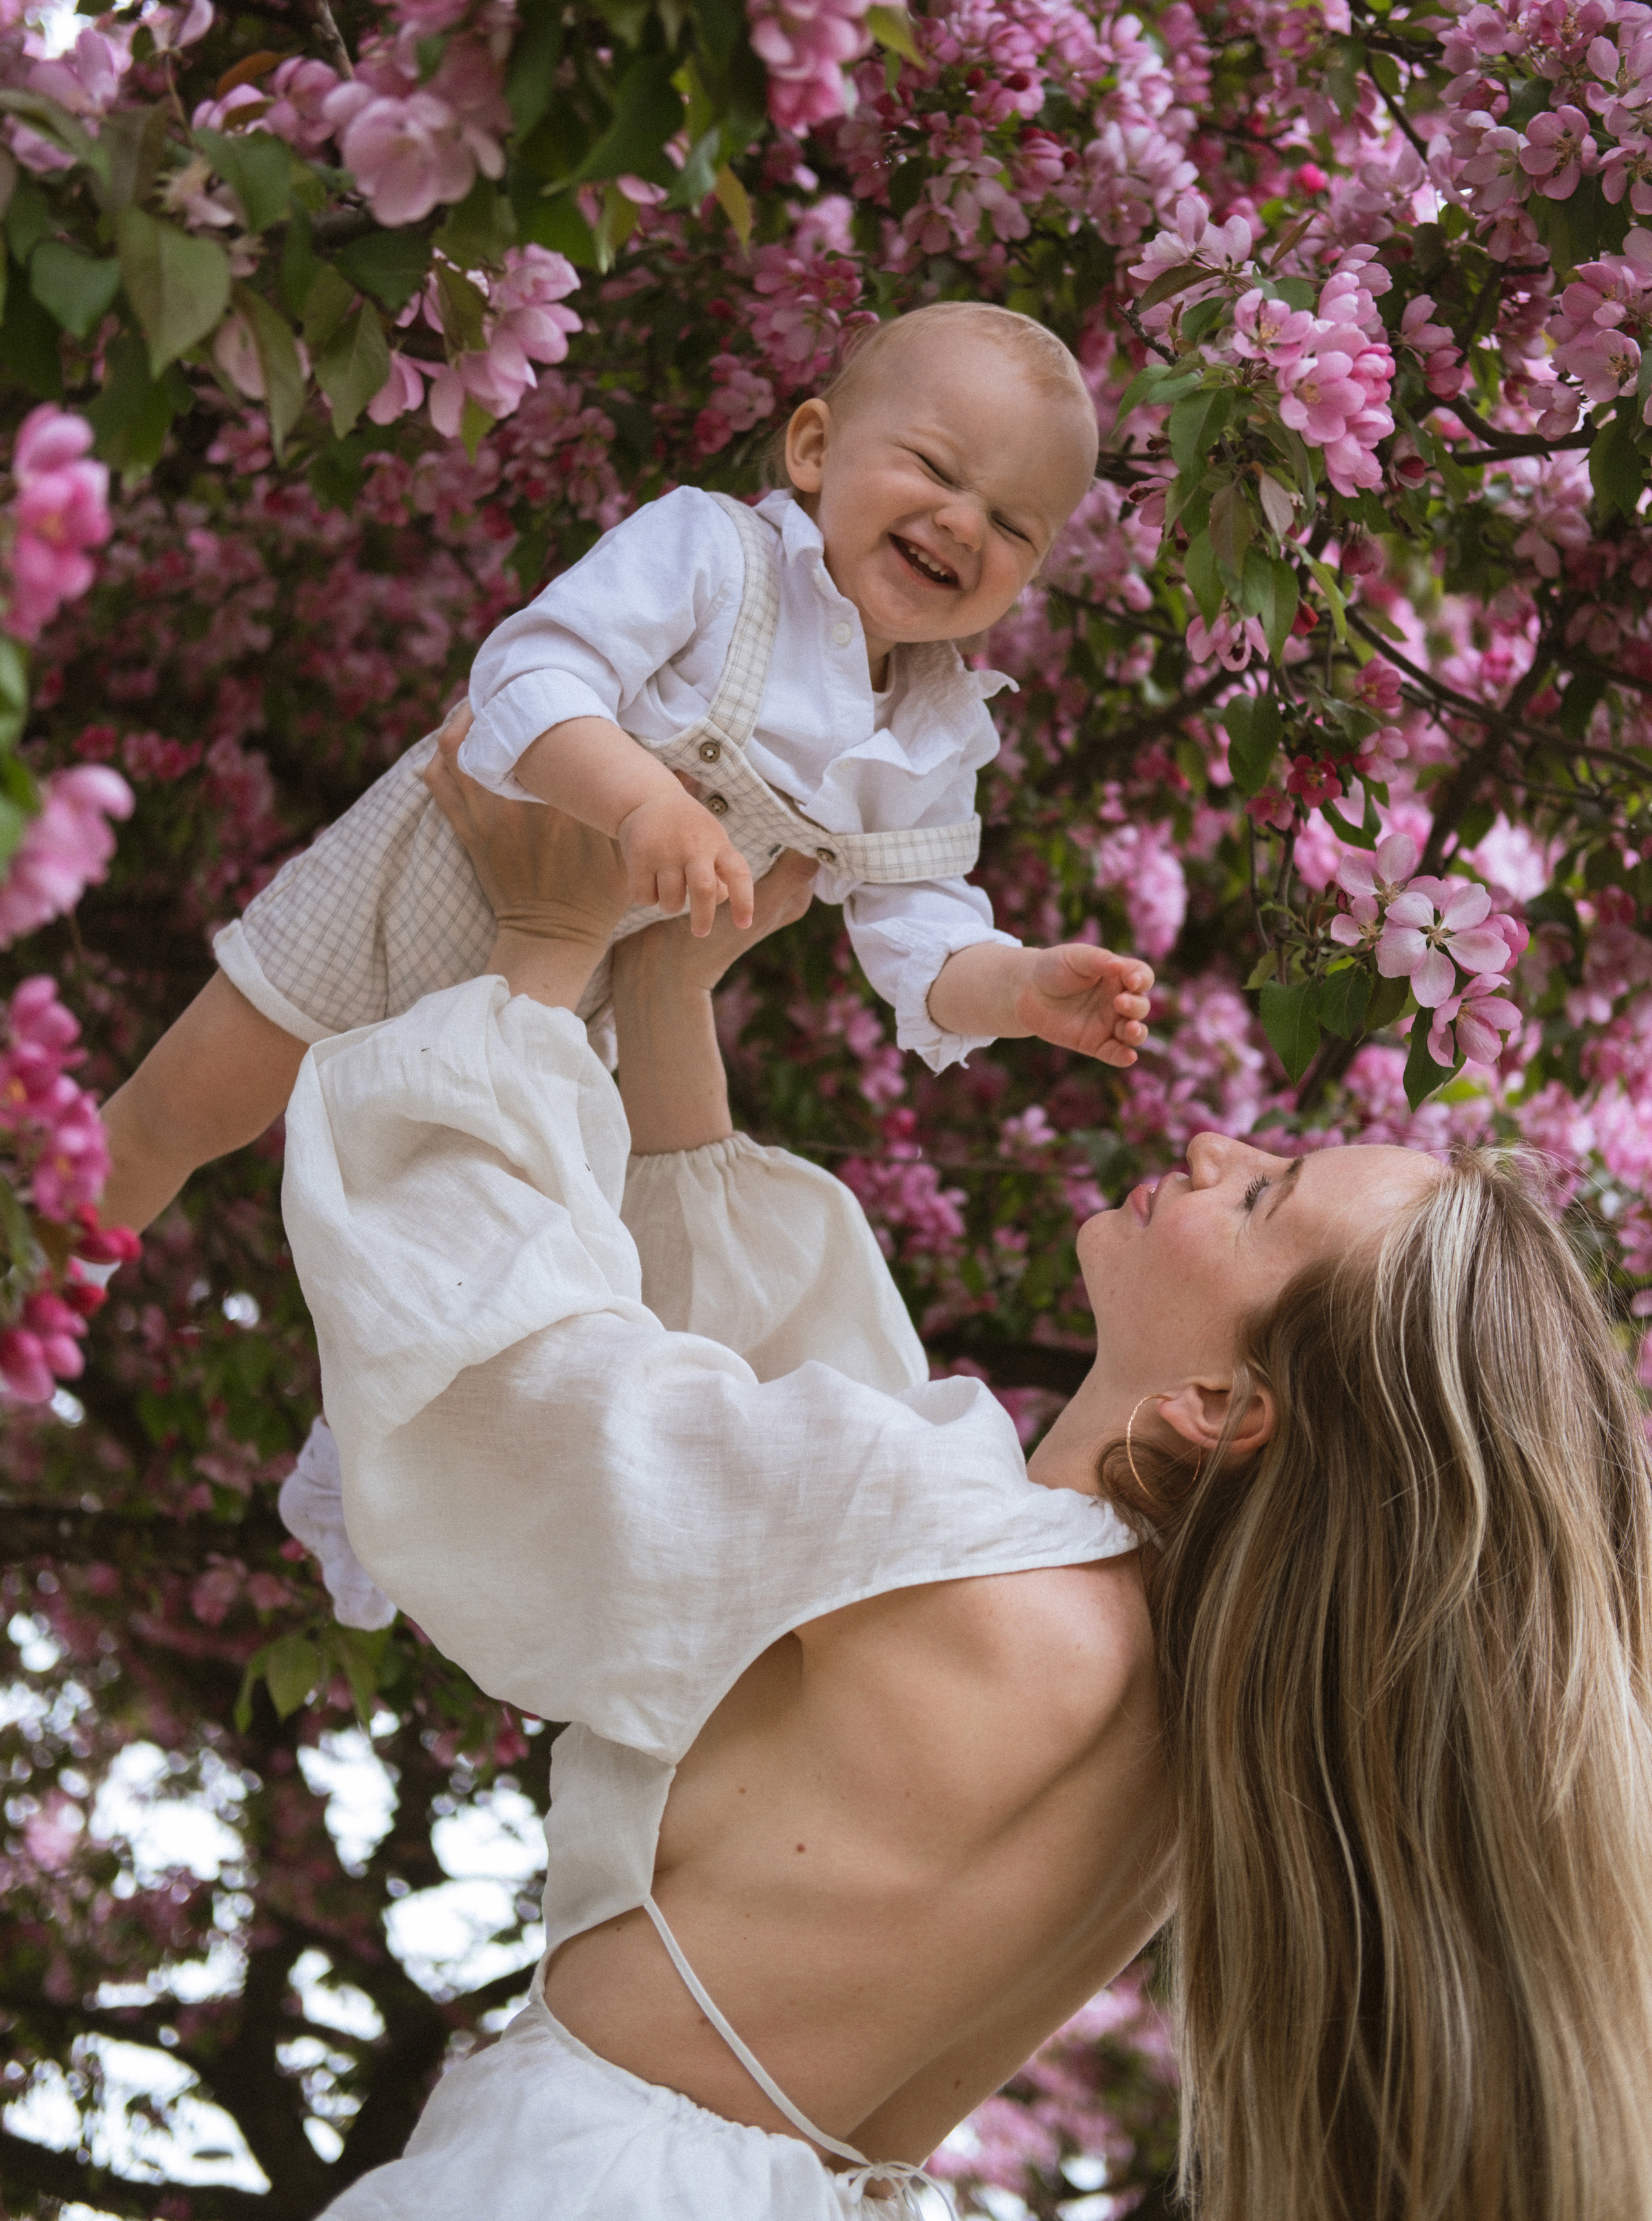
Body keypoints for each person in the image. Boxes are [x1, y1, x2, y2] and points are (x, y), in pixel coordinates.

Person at [282, 739, 1652, 2221]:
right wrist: (668, 995)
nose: (1210, 1141)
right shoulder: (1175, 1716)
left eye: (1264, 1196)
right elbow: (772, 1391)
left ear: (1222, 1404)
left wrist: (543, 952)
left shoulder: (959, 1572)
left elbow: (528, 1396)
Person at [94, 302, 1155, 1237]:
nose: (963, 521)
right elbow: (524, 677)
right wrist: (644, 799)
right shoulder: (712, 552)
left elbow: (921, 932)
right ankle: (36, 1295)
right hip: (400, 894)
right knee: (181, 1114)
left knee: (442, 1242)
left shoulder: (931, 732)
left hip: (557, 1000)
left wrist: (1017, 988)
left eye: (1014, 524)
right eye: (933, 467)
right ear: (815, 448)